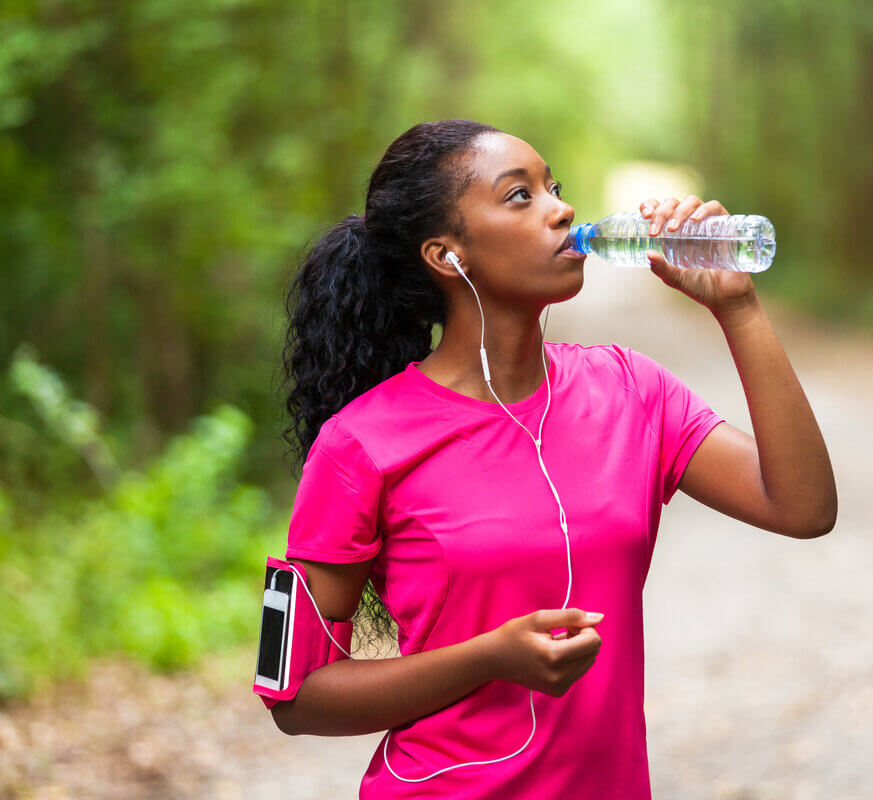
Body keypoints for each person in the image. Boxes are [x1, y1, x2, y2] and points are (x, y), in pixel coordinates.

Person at [271, 118, 837, 798]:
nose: (562, 209)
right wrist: (489, 658)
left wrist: (738, 308)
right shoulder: (360, 444)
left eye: (555, 187)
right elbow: (296, 698)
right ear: (447, 255)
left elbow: (803, 507)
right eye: (520, 195)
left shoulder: (631, 390)